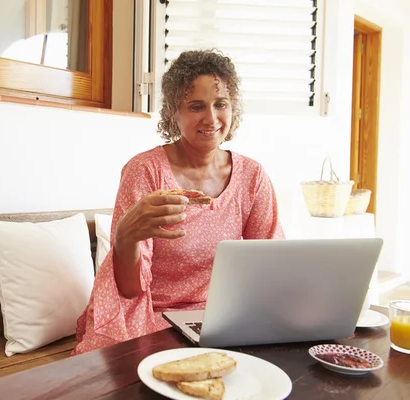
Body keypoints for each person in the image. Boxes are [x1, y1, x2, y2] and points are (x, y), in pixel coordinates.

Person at [72, 49, 285, 355]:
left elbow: (270, 263)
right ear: (175, 111)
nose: (211, 118)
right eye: (196, 106)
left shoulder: (252, 176)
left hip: (217, 319)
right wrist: (124, 236)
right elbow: (131, 290)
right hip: (149, 315)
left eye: (220, 104)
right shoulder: (145, 171)